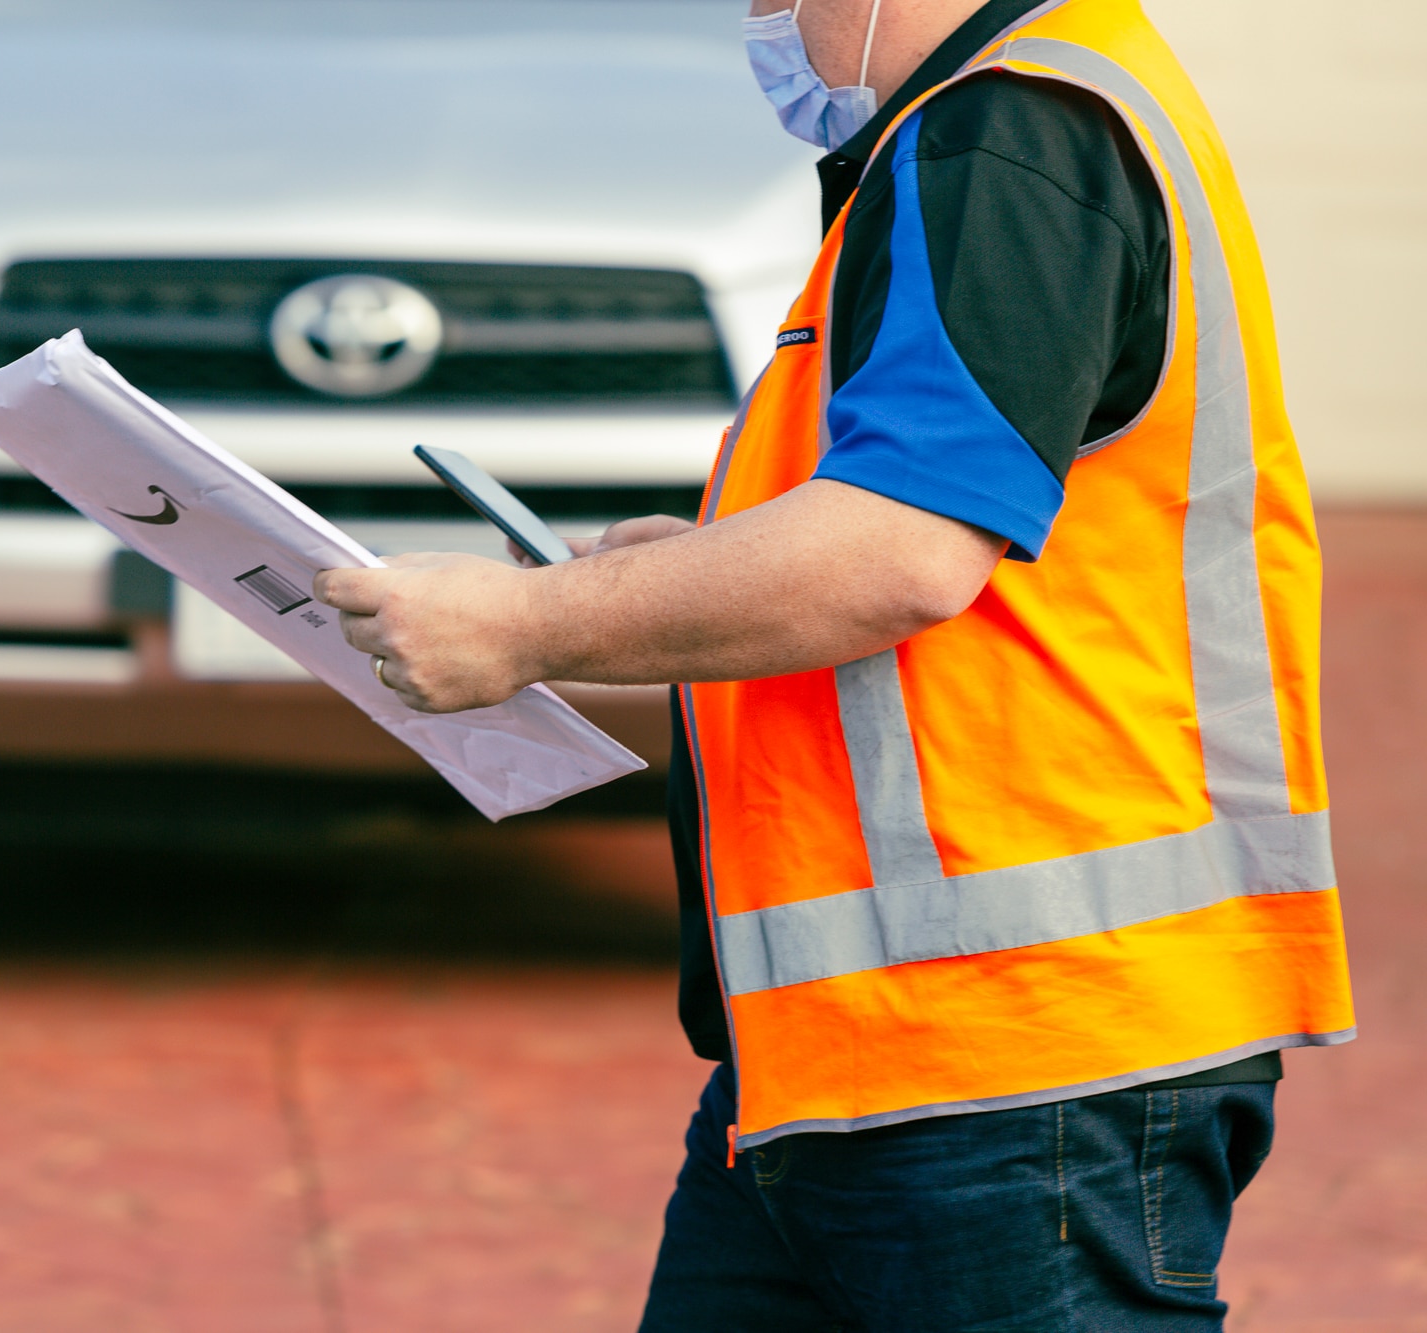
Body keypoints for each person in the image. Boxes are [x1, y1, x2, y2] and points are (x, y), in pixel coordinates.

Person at [311, 0, 1356, 1326]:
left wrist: (527, 627)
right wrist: (675, 573)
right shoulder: (997, 124)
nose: (760, 13)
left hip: (1014, 1070)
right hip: (867, 1062)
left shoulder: (1009, 133)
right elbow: (925, 526)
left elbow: (901, 551)